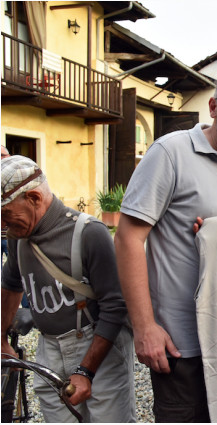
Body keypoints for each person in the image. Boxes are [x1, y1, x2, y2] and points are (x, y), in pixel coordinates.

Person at [114, 70, 217, 422]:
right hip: (182, 343)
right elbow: (127, 239)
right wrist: (144, 326)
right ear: (214, 107)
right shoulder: (171, 153)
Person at [1, 155, 135, 422]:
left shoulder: (89, 233)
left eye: (5, 214)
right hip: (48, 348)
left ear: (34, 199)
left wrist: (86, 371)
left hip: (97, 347)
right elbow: (11, 284)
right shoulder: (18, 239)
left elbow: (115, 305)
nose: (2, 225)